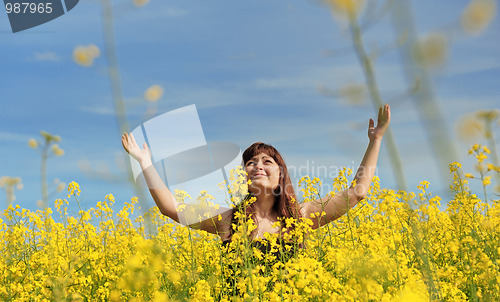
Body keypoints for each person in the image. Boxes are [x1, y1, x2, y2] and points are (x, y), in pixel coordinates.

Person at [121, 104, 391, 247]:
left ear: (280, 174)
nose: (257, 166)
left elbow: (357, 193)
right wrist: (145, 162)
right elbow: (171, 208)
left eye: (267, 161)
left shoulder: (302, 217)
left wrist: (375, 141)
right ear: (244, 177)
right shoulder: (229, 221)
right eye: (250, 162)